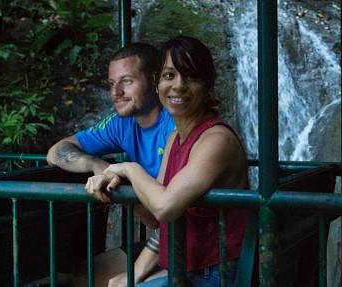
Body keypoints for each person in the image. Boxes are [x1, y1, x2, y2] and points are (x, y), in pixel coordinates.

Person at [85, 35, 250, 287]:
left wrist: (130, 168)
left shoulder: (217, 140)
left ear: (207, 85)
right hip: (184, 266)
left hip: (215, 272)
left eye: (191, 76)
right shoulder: (175, 137)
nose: (179, 85)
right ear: (157, 83)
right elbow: (159, 217)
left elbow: (165, 207)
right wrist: (134, 275)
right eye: (169, 75)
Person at [46, 42, 175, 286]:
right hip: (165, 238)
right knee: (87, 274)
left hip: (195, 243)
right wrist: (96, 165)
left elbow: (174, 215)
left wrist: (134, 274)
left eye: (127, 81)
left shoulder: (174, 122)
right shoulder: (122, 123)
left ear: (154, 79)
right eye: (111, 83)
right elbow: (56, 152)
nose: (116, 92)